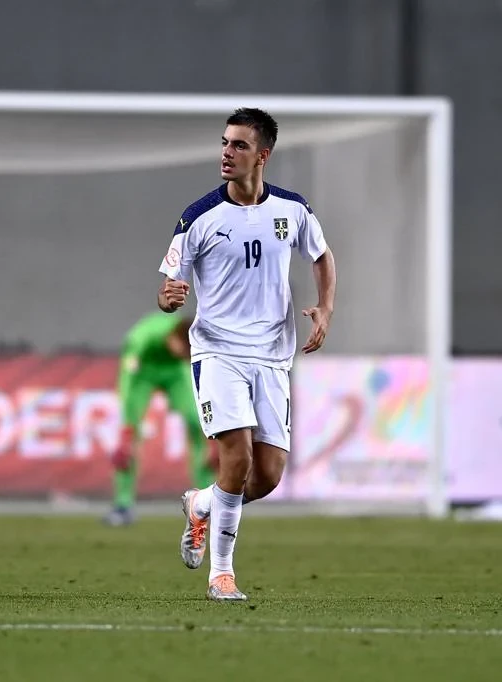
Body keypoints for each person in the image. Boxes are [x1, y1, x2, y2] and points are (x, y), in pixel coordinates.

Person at [157, 108, 336, 601]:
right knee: (234, 459)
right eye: (223, 143)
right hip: (218, 352)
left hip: (273, 356)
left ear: (263, 155)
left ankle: (200, 504)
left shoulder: (293, 210)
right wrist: (169, 297)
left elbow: (321, 255)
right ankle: (222, 575)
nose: (226, 153)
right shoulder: (198, 217)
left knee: (268, 475)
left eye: (238, 145)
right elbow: (171, 283)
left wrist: (325, 308)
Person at [102, 311, 217, 527]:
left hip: (173, 373)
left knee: (198, 424)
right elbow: (127, 377)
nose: (187, 355)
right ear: (173, 340)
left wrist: (212, 439)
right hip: (143, 372)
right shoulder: (142, 338)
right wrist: (127, 422)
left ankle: (207, 504)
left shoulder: (181, 352)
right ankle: (123, 505)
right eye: (185, 351)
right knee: (128, 433)